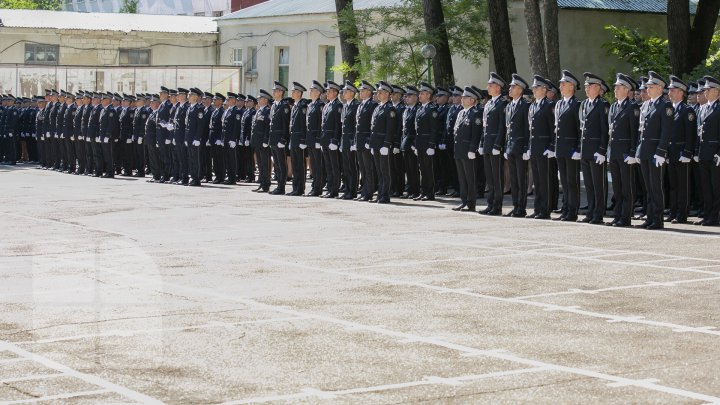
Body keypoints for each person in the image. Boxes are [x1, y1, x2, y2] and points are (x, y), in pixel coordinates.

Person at [635, 71, 672, 230]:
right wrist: (638, 150)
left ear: (659, 88)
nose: (647, 89)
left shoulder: (665, 106)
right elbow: (641, 131)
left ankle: (658, 219)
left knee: (656, 186)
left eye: (650, 87)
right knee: (648, 187)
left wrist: (661, 151)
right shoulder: (646, 105)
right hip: (644, 151)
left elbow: (666, 130)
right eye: (647, 87)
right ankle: (650, 217)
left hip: (656, 153)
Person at [606, 73, 640, 227]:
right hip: (614, 152)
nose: (615, 89)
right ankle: (618, 214)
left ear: (627, 90)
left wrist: (633, 152)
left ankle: (626, 216)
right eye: (615, 87)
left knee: (627, 187)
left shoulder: (632, 107)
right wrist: (608, 150)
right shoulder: (613, 106)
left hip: (626, 153)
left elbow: (634, 132)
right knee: (617, 188)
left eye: (618, 87)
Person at [578, 72, 610, 224]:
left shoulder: (603, 105)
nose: (586, 88)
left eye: (589, 86)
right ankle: (591, 211)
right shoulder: (584, 104)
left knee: (598, 185)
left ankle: (598, 213)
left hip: (596, 151)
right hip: (586, 150)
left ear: (598, 88)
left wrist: (602, 150)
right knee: (589, 185)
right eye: (585, 86)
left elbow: (605, 130)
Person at [665, 75, 697, 224]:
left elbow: (691, 134)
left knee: (682, 185)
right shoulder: (669, 109)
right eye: (670, 90)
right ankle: (673, 211)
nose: (670, 92)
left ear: (681, 92)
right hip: (671, 153)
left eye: (673, 90)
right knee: (672, 185)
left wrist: (687, 152)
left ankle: (682, 214)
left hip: (681, 153)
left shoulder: (687, 110)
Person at [551, 70, 582, 222]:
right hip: (561, 148)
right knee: (563, 180)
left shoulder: (577, 105)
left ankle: (572, 210)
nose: (561, 86)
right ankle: (565, 208)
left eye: (564, 84)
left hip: (571, 149)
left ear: (572, 86)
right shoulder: (559, 104)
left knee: (572, 181)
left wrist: (578, 148)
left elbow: (579, 129)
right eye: (561, 84)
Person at [526, 75, 556, 220]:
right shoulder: (532, 106)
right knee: (537, 181)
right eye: (533, 87)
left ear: (544, 89)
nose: (533, 89)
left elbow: (553, 129)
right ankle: (538, 208)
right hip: (534, 147)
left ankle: (546, 209)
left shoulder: (549, 105)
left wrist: (551, 147)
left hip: (544, 148)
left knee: (545, 181)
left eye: (536, 87)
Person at [479, 72, 508, 215]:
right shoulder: (489, 103)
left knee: (497, 177)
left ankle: (497, 205)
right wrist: (481, 143)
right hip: (487, 144)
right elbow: (484, 127)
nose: (488, 87)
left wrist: (498, 145)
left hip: (496, 145)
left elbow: (502, 127)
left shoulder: (503, 103)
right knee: (489, 177)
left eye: (490, 85)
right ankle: (490, 204)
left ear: (498, 87)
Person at [452, 86, 483, 212]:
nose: (462, 99)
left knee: (470, 178)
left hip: (468, 151)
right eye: (462, 97)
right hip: (459, 149)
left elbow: (476, 133)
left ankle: (471, 203)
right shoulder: (461, 112)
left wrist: (472, 149)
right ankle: (463, 200)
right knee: (462, 178)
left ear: (472, 100)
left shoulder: (475, 113)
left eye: (465, 97)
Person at [503, 74, 530, 217]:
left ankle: (522, 207)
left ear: (520, 90)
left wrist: (526, 147)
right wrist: (506, 146)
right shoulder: (509, 106)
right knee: (513, 179)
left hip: (520, 147)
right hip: (511, 147)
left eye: (513, 87)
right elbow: (508, 129)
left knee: (521, 178)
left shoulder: (525, 106)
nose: (510, 89)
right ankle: (515, 205)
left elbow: (527, 129)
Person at [694, 75, 720, 226]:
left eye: (708, 90)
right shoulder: (703, 108)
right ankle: (707, 214)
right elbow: (698, 133)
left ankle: (715, 216)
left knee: (716, 186)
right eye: (705, 90)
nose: (705, 92)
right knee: (705, 187)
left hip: (715, 153)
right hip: (703, 152)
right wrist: (697, 151)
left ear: (717, 91)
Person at [369, 81, 397, 204]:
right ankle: (380, 193)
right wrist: (371, 144)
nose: (378, 94)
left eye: (380, 92)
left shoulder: (390, 109)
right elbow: (373, 128)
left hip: (383, 145)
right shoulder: (377, 108)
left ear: (387, 94)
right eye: (377, 92)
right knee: (378, 171)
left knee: (385, 171)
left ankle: (385, 195)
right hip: (376, 144)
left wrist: (386, 144)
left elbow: (390, 129)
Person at [414, 82, 439, 201]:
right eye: (419, 93)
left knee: (429, 169)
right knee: (422, 169)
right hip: (420, 143)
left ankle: (430, 193)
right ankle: (423, 191)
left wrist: (431, 145)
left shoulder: (432, 109)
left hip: (427, 144)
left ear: (428, 95)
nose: (420, 95)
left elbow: (434, 129)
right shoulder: (420, 109)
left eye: (422, 93)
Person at [355, 81, 378, 201]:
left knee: (369, 168)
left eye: (363, 91)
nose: (360, 93)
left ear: (369, 92)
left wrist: (369, 140)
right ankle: (364, 190)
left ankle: (369, 191)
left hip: (366, 141)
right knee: (362, 168)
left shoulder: (372, 105)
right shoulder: (361, 105)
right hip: (359, 141)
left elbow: (372, 125)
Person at [268, 81, 291, 195]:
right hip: (273, 139)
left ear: (281, 92)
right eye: (273, 90)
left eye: (276, 90)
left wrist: (283, 139)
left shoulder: (284, 106)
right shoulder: (274, 105)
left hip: (280, 140)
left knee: (282, 164)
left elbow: (286, 125)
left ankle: (281, 187)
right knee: (276, 164)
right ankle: (278, 185)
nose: (273, 92)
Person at [340, 81, 360, 199]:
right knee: (346, 167)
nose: (344, 93)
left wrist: (354, 141)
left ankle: (352, 191)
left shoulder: (356, 105)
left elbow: (356, 125)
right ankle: (347, 190)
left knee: (352, 167)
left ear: (352, 93)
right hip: (345, 140)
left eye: (346, 91)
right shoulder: (345, 106)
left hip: (352, 140)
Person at [288, 82, 309, 196]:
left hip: (300, 140)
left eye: (294, 91)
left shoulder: (303, 106)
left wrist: (303, 140)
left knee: (300, 166)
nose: (292, 93)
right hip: (294, 139)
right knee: (295, 165)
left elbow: (304, 125)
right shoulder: (295, 106)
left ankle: (300, 188)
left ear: (299, 93)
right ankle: (295, 187)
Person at [400, 85, 420, 199]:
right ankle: (410, 189)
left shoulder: (418, 109)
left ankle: (416, 190)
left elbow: (418, 129)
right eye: (406, 96)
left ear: (415, 97)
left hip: (412, 143)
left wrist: (414, 144)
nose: (406, 98)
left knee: (414, 169)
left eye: (409, 96)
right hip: (406, 143)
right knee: (408, 169)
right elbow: (404, 129)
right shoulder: (407, 110)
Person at [251, 89, 272, 193]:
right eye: (258, 98)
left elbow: (268, 127)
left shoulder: (267, 111)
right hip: (257, 141)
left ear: (265, 100)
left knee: (265, 164)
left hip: (263, 142)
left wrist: (265, 139)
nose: (258, 100)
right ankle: (261, 183)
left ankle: (266, 184)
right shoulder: (259, 111)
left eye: (260, 98)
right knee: (259, 164)